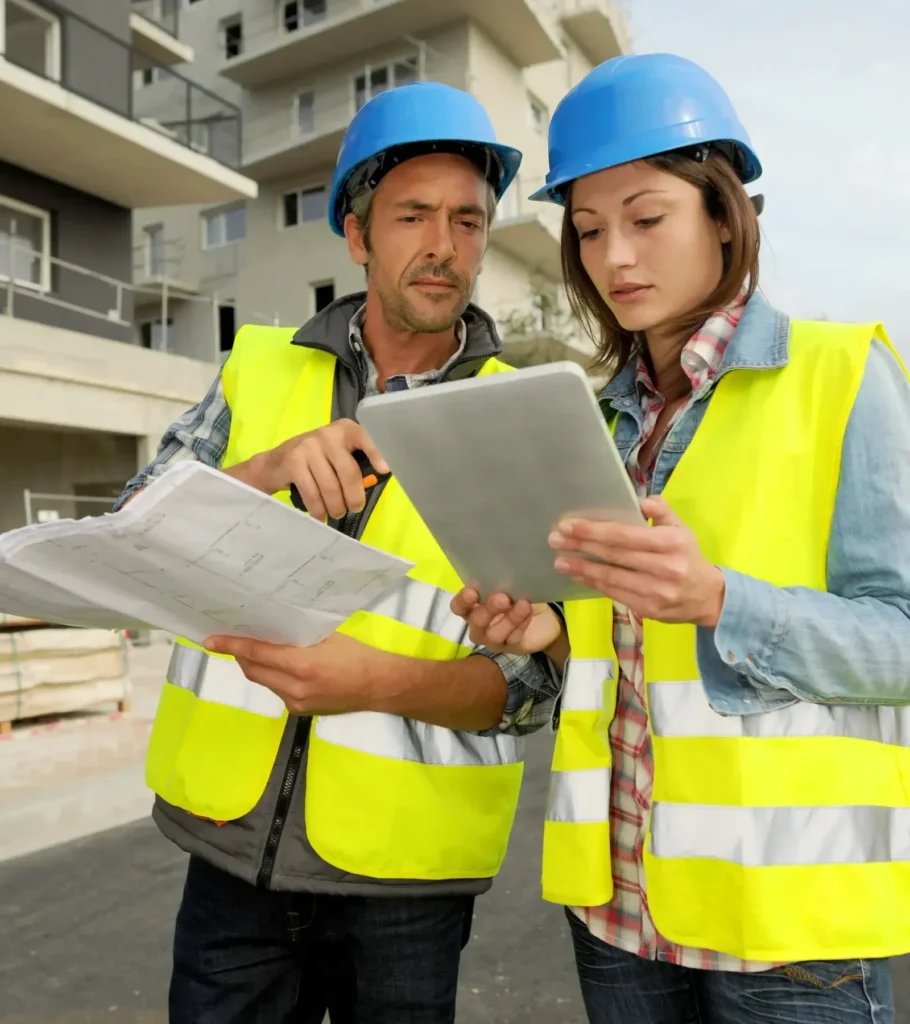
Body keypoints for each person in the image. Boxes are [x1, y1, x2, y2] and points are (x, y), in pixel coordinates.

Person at [452, 53, 910, 1024]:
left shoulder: (844, 377)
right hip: (616, 914)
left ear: (723, 213)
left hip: (787, 929)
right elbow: (623, 655)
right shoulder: (599, 426)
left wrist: (719, 601)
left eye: (647, 217)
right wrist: (544, 635)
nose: (614, 256)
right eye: (586, 229)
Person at [115, 82, 558, 1024]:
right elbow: (129, 537)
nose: (444, 244)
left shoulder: (528, 418)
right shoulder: (259, 370)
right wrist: (265, 466)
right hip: (232, 856)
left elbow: (535, 684)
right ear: (357, 236)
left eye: (468, 221)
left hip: (410, 879)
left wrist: (374, 684)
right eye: (412, 216)